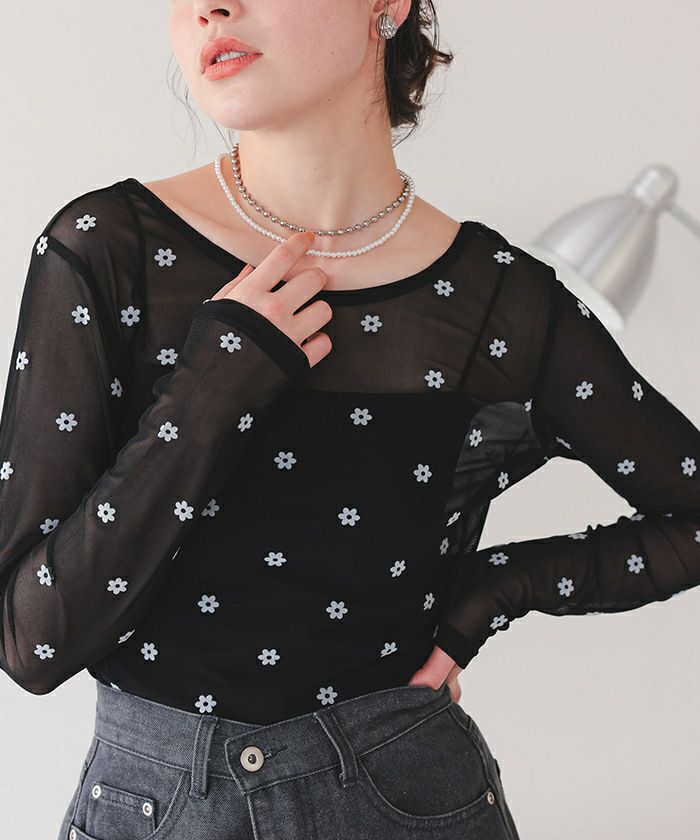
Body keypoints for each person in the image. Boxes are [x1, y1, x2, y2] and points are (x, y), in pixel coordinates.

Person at [1, 2, 698, 839]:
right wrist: (212, 390)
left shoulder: (500, 300)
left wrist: (492, 591)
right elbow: (32, 642)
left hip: (408, 799)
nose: (210, 7)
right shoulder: (108, 250)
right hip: (155, 811)